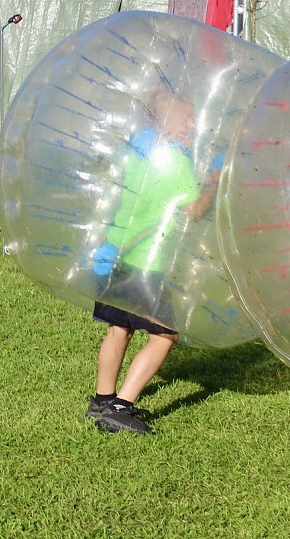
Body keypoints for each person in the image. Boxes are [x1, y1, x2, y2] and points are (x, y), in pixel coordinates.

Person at [85, 88, 217, 434]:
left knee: (120, 327)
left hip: (117, 254)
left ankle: (101, 399)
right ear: (162, 123)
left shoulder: (136, 151)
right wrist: (216, 181)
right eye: (185, 119)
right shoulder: (174, 161)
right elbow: (194, 210)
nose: (192, 125)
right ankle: (120, 408)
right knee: (165, 334)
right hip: (147, 264)